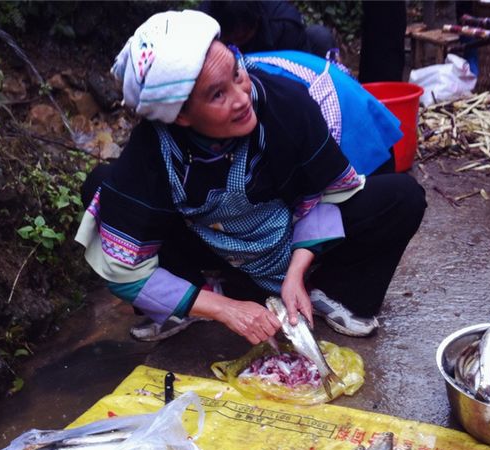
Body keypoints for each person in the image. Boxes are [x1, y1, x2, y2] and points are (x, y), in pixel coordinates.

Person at [76, 10, 426, 345]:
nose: (242, 97)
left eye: (236, 73)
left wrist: (296, 274)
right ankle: (196, 301)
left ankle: (325, 293)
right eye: (217, 94)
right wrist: (225, 310)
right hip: (220, 258)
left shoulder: (284, 101)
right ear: (180, 116)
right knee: (105, 191)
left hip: (289, 241)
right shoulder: (152, 151)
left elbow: (327, 191)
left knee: (402, 196)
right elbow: (126, 270)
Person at [199, 1, 335, 58]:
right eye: (230, 39)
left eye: (242, 37)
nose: (236, 42)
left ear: (257, 20)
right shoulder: (202, 20)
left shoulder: (285, 27)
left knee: (320, 37)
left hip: (275, 78)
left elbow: (301, 75)